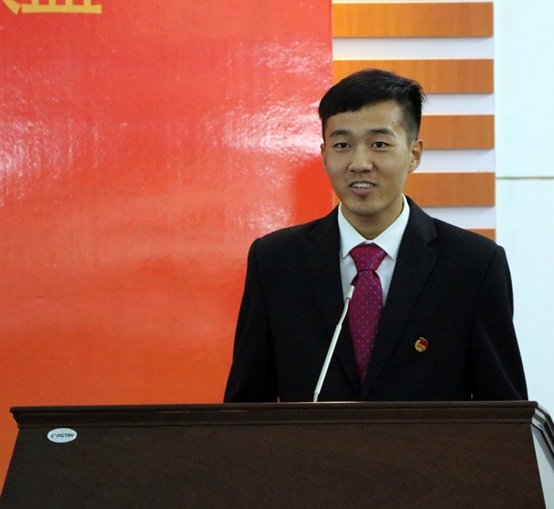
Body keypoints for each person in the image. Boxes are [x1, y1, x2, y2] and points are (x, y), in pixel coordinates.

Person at [224, 69, 527, 402]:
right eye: (342, 145)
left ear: (414, 154)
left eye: (379, 144)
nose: (360, 163)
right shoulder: (276, 262)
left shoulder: (473, 265)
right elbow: (246, 408)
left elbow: (503, 412)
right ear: (324, 154)